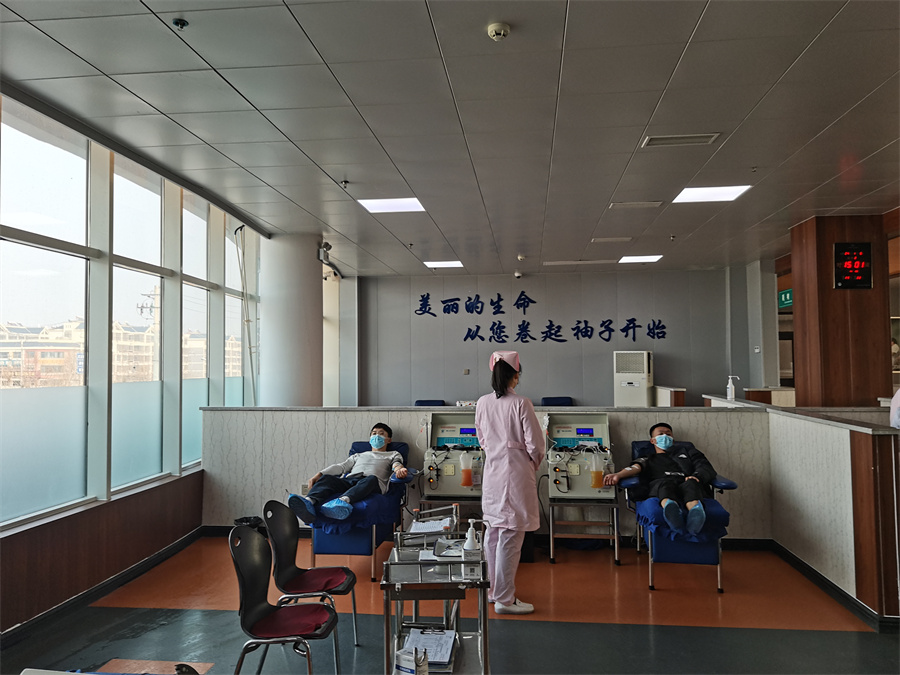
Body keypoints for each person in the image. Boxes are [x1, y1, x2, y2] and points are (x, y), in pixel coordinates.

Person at [474, 350, 545, 615]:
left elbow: (482, 438)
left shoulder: (482, 402)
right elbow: (535, 445)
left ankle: (494, 591)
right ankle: (505, 598)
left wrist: (497, 452)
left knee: (493, 533)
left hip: (492, 473)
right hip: (515, 473)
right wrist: (531, 463)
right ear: (515, 376)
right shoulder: (521, 403)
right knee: (511, 537)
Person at [603, 422, 716, 535]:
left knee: (691, 484)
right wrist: (618, 475)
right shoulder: (648, 458)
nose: (665, 436)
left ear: (673, 439)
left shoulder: (689, 453)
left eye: (668, 434)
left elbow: (704, 466)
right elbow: (635, 467)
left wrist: (696, 476)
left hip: (687, 482)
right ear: (652, 440)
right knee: (665, 485)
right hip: (662, 484)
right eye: (660, 434)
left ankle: (696, 512)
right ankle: (671, 510)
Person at [288, 422, 408, 522]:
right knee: (327, 479)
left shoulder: (393, 454)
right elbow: (341, 467)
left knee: (371, 478)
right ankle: (308, 503)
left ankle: (342, 502)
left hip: (373, 483)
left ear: (389, 440)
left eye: (381, 434)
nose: (377, 436)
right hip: (350, 480)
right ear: (370, 438)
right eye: (374, 433)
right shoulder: (358, 455)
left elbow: (397, 464)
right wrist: (319, 474)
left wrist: (400, 470)